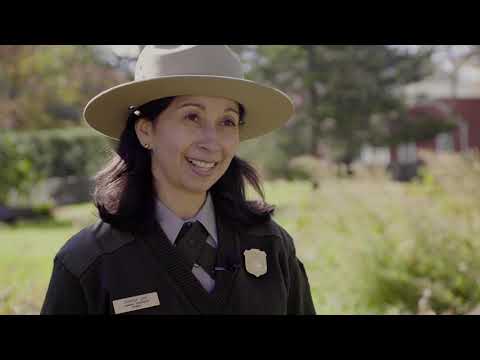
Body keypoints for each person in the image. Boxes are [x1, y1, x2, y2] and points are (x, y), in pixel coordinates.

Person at [41, 45, 316, 315]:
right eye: (192, 116)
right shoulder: (88, 262)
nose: (212, 142)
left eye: (228, 121)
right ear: (146, 131)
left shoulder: (272, 245)